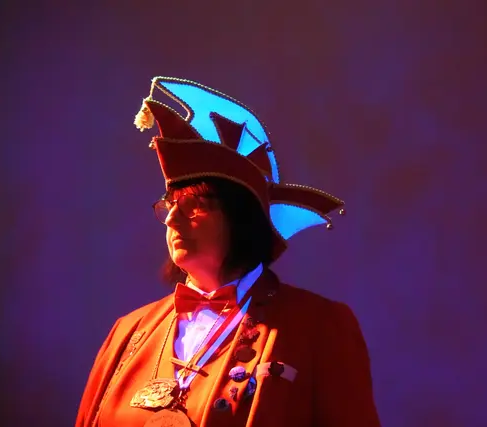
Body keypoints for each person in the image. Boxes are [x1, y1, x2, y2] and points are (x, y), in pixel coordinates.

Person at [75, 77, 380, 427]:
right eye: (170, 204)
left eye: (194, 205)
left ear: (240, 217)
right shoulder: (128, 332)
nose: (172, 218)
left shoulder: (318, 325)